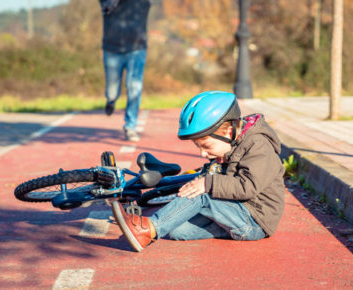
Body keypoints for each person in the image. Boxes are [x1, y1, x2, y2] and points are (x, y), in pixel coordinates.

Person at [111, 91, 286, 252]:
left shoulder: (259, 146)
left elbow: (247, 186)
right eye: (198, 147)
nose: (202, 153)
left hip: (254, 219)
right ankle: (157, 223)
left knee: (203, 194)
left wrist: (207, 183)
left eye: (206, 146)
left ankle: (147, 230)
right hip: (236, 212)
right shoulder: (229, 145)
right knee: (177, 230)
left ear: (229, 131)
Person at [99, 0, 151, 141]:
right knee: (112, 90)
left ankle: (130, 126)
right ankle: (111, 99)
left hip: (137, 47)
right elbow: (107, 6)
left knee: (134, 87)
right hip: (112, 48)